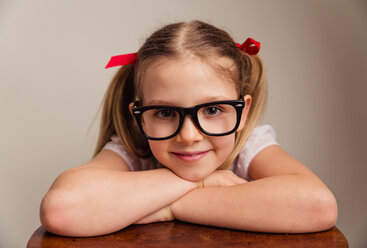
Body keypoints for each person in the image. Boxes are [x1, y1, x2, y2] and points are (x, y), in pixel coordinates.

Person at [39, 20, 338, 237]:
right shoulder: (134, 149)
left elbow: (317, 205)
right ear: (139, 117)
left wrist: (171, 207)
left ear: (243, 112)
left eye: (211, 110)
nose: (189, 135)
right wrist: (204, 183)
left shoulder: (247, 145)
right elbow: (62, 209)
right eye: (166, 112)